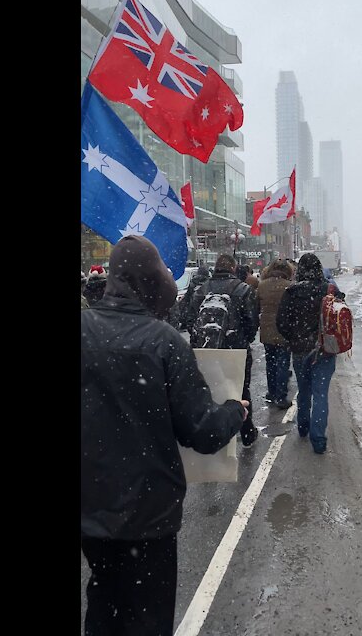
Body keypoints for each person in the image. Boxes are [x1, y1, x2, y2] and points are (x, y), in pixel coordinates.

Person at [81, 236, 248, 636]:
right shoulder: (164, 343)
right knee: (147, 617)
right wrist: (233, 412)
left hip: (92, 509)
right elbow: (203, 431)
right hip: (148, 517)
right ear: (152, 284)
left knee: (103, 601)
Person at [180, 253, 260, 447]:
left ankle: (213, 430)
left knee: (210, 390)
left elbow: (189, 319)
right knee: (240, 389)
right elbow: (251, 321)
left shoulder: (200, 290)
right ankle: (246, 430)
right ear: (233, 268)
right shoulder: (243, 290)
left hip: (206, 351)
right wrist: (243, 339)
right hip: (236, 350)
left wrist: (203, 339)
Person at [276, 253, 344, 455]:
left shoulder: (291, 292)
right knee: (321, 394)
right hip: (324, 349)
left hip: (299, 350)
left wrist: (294, 338)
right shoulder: (328, 290)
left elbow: (281, 323)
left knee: (304, 391)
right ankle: (319, 440)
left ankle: (303, 427)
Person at [256, 260, 295, 409]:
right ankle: (281, 396)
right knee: (283, 364)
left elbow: (256, 308)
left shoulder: (262, 286)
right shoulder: (289, 286)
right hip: (284, 330)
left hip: (266, 330)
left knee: (270, 363)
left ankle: (271, 392)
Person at [171, 265, 211, 334]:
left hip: (193, 310)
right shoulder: (209, 283)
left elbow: (187, 298)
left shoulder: (193, 282)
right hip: (205, 311)